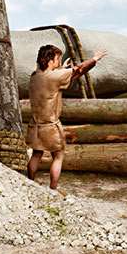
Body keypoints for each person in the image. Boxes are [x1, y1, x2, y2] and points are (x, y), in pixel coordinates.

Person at [27, 44, 107, 193]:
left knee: (36, 154)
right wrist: (95, 59)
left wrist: (61, 69)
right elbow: (79, 69)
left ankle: (29, 183)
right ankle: (53, 189)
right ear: (50, 59)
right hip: (50, 126)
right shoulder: (55, 76)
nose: (58, 61)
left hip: (35, 125)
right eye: (57, 58)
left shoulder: (34, 76)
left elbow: (58, 78)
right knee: (58, 156)